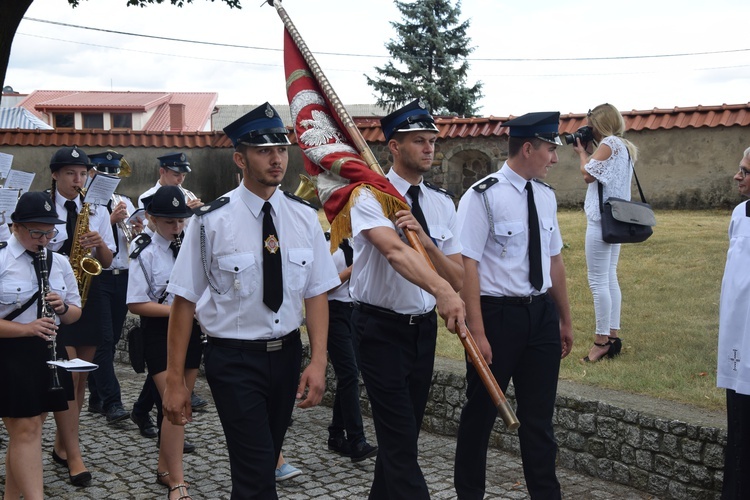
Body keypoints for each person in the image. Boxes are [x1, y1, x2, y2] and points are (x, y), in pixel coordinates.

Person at [162, 102, 339, 499]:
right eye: (263, 150)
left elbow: (316, 292)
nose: (276, 159)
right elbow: (184, 302)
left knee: (263, 461)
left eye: (281, 148)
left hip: (287, 354)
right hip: (235, 360)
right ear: (240, 159)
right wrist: (175, 380)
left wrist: (318, 361)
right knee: (257, 470)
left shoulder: (303, 216)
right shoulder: (211, 221)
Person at [453, 111, 573, 499]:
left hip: (540, 316)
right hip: (497, 317)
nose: (554, 158)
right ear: (528, 148)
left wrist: (564, 320)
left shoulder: (546, 196)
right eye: (549, 149)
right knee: (480, 417)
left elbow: (554, 261)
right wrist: (478, 332)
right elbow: (466, 264)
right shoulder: (482, 196)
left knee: (539, 422)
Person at [350, 99, 465, 499]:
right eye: (419, 141)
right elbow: (395, 253)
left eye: (432, 140)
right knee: (400, 443)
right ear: (394, 147)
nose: (429, 148)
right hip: (379, 328)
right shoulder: (368, 195)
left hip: (423, 330)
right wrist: (442, 290)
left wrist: (429, 243)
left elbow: (458, 276)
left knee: (403, 438)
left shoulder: (440, 202)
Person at [0, 192, 83, 499]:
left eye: (50, 232)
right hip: (9, 352)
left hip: (49, 352)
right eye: (37, 232)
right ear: (15, 227)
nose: (45, 239)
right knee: (25, 431)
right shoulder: (1, 260)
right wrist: (25, 329)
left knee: (29, 432)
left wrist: (62, 308)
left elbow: (75, 313)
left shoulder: (59, 262)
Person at [47, 145, 115, 486]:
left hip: (90, 290)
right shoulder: (43, 206)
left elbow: (108, 260)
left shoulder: (96, 207)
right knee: (67, 378)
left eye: (83, 173)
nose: (78, 179)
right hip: (57, 294)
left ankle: (62, 445)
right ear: (56, 175)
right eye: (71, 173)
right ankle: (74, 456)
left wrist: (99, 242)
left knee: (83, 377)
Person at [127, 185, 201, 500]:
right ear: (153, 219)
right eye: (169, 222)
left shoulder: (192, 247)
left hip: (192, 333)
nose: (177, 227)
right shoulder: (144, 252)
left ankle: (163, 467)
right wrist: (178, 310)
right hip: (158, 334)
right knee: (176, 407)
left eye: (181, 221)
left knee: (178, 404)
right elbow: (135, 303)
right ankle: (177, 481)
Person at [573, 103, 637, 362]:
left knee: (598, 280)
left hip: (601, 220)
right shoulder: (624, 146)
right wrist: (590, 151)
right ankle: (612, 336)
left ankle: (600, 342)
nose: (589, 130)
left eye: (591, 125)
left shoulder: (609, 143)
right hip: (616, 219)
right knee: (610, 277)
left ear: (600, 124)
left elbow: (588, 175)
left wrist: (581, 152)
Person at [86, 151, 141, 424]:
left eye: (114, 172)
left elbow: (133, 241)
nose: (112, 177)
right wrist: (109, 221)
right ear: (93, 173)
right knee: (105, 339)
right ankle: (113, 402)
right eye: (105, 171)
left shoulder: (125, 202)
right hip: (99, 276)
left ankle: (96, 396)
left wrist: (137, 228)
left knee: (111, 336)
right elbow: (87, 239)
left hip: (124, 274)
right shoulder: (88, 204)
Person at [325, 232, 378, 462]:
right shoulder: (326, 242)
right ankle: (356, 440)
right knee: (347, 373)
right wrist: (352, 270)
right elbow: (320, 287)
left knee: (350, 374)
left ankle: (336, 434)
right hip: (333, 312)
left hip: (355, 311)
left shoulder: (361, 242)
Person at [716, 146, 750, 500]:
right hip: (737, 333)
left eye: (745, 171)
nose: (737, 176)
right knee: (738, 426)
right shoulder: (740, 214)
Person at [138, 152, 203, 211]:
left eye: (184, 175)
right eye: (176, 175)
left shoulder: (188, 194)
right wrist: (185, 212)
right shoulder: (147, 197)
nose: (181, 179)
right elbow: (149, 223)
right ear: (162, 171)